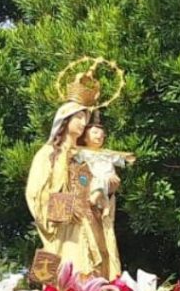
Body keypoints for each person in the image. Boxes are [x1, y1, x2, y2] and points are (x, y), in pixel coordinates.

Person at [25, 102, 122, 279]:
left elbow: (93, 189)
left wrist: (107, 192)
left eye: (85, 118)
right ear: (64, 120)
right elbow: (35, 192)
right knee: (65, 279)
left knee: (95, 278)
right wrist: (68, 207)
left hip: (91, 224)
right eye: (78, 117)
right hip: (64, 229)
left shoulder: (85, 157)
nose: (83, 123)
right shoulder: (48, 153)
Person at [73, 122, 135, 213]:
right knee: (99, 183)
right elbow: (74, 160)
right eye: (95, 133)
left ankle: (96, 201)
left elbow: (122, 159)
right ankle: (100, 203)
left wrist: (130, 159)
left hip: (109, 178)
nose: (99, 136)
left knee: (103, 183)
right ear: (85, 138)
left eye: (102, 135)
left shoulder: (107, 153)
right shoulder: (84, 152)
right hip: (94, 179)